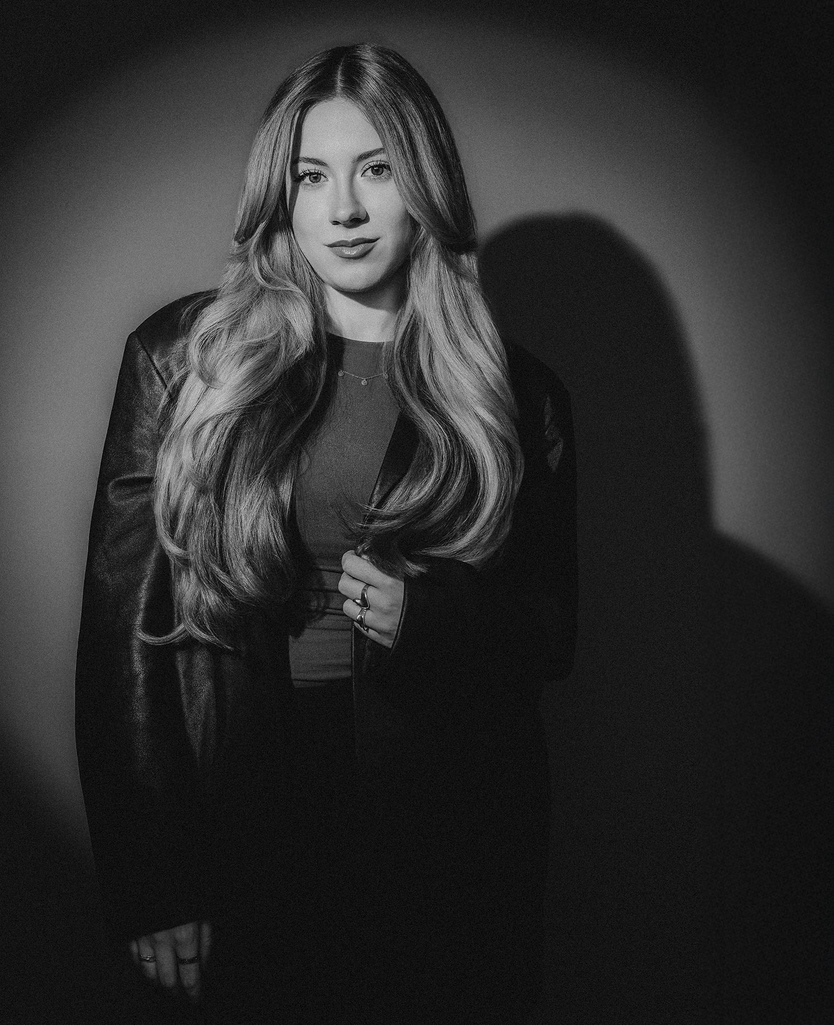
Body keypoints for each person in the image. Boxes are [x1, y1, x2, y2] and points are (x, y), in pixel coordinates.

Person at [75, 43, 576, 1024]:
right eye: (312, 176)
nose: (342, 209)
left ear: (423, 185)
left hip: (449, 843)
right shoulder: (184, 361)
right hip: (249, 821)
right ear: (283, 196)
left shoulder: (518, 393)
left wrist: (428, 616)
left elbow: (550, 632)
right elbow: (119, 638)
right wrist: (154, 875)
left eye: (374, 169)